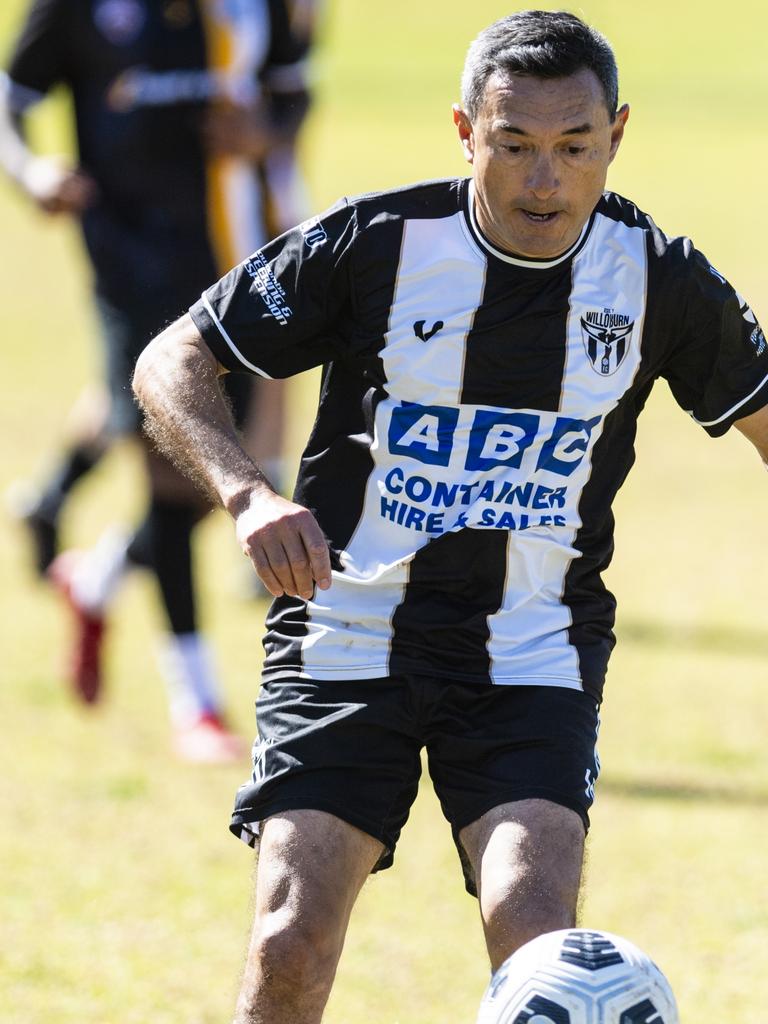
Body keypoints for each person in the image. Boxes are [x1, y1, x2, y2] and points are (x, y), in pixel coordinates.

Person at [133, 9, 768, 1021]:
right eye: (514, 145)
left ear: (619, 134)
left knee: (542, 942)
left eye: (575, 146)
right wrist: (247, 492)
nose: (545, 179)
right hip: (345, 629)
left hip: (529, 648)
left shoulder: (657, 278)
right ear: (467, 131)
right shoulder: (379, 242)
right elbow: (173, 358)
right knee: (290, 941)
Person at [0, 0, 317, 760]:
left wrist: (268, 133)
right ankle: (196, 702)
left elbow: (294, 86)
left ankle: (98, 578)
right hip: (131, 263)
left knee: (221, 477)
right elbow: (9, 100)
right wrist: (32, 169)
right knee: (174, 472)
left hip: (240, 261)